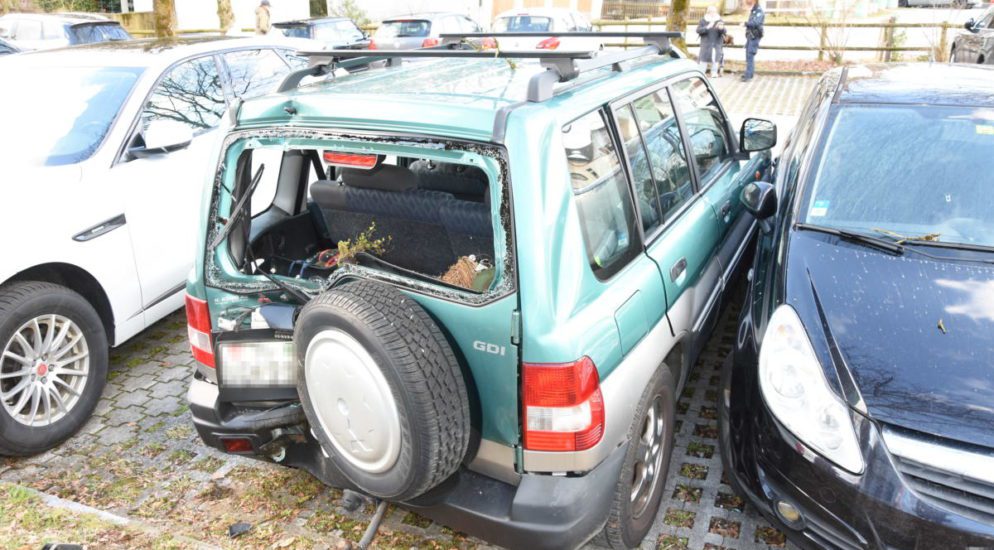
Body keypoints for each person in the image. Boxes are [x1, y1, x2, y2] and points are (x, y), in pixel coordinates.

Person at [696, 6, 726, 78]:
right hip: (706, 43)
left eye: (714, 12)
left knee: (715, 58)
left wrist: (721, 29)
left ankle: (714, 72)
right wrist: (707, 27)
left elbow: (724, 31)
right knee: (703, 59)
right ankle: (701, 73)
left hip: (716, 43)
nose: (713, 13)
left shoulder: (719, 20)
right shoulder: (703, 20)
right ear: (708, 12)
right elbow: (698, 30)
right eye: (711, 12)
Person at [742, 0, 765, 81]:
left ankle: (748, 75)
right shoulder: (754, 10)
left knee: (750, 54)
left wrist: (745, 24)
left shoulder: (759, 11)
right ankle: (749, 73)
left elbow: (756, 23)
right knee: (748, 55)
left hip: (755, 36)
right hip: (751, 36)